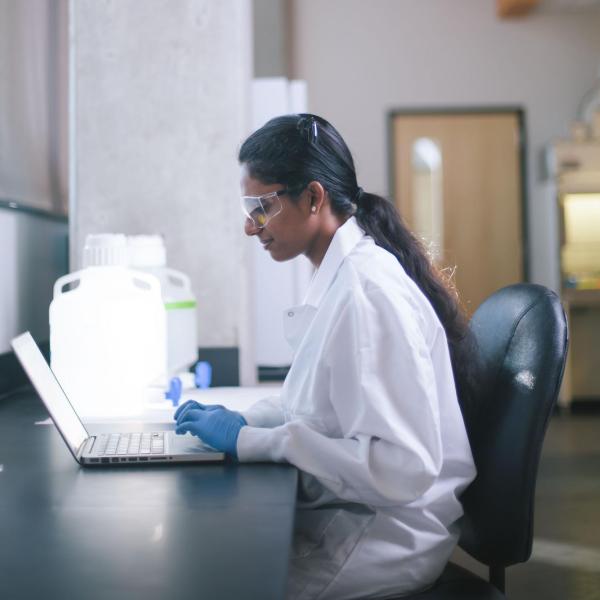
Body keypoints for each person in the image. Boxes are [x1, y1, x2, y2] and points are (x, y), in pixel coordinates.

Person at [174, 114, 477, 599]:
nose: (251, 227)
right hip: (350, 513)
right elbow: (319, 408)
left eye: (262, 207)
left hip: (383, 536)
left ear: (313, 198)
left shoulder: (367, 292)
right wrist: (246, 422)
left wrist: (254, 442)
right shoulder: (342, 278)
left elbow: (404, 468)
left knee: (219, 582)